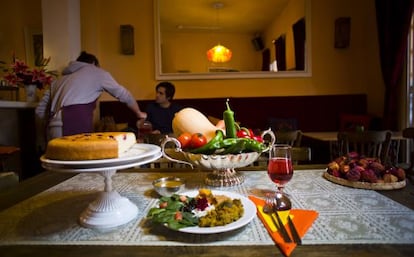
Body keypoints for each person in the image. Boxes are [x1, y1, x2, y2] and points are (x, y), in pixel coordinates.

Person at [36, 51, 147, 141]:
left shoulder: (58, 80)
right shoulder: (96, 72)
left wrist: (54, 123)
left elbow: (39, 111)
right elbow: (124, 94)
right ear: (94, 63)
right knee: (80, 165)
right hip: (75, 124)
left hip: (52, 128)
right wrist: (139, 112)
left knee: (58, 166)